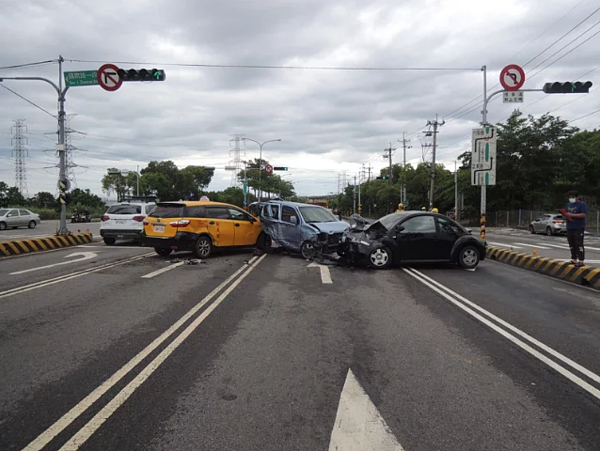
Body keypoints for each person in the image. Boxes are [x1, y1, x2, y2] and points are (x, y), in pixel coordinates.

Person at [563, 190, 587, 267]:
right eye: (570, 197)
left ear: (577, 197)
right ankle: (574, 259)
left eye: (572, 197)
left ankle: (581, 260)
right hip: (570, 226)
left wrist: (572, 215)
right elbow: (566, 213)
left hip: (578, 227)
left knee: (579, 243)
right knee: (571, 243)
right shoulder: (568, 205)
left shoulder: (582, 204)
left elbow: (583, 214)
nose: (571, 199)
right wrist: (565, 215)